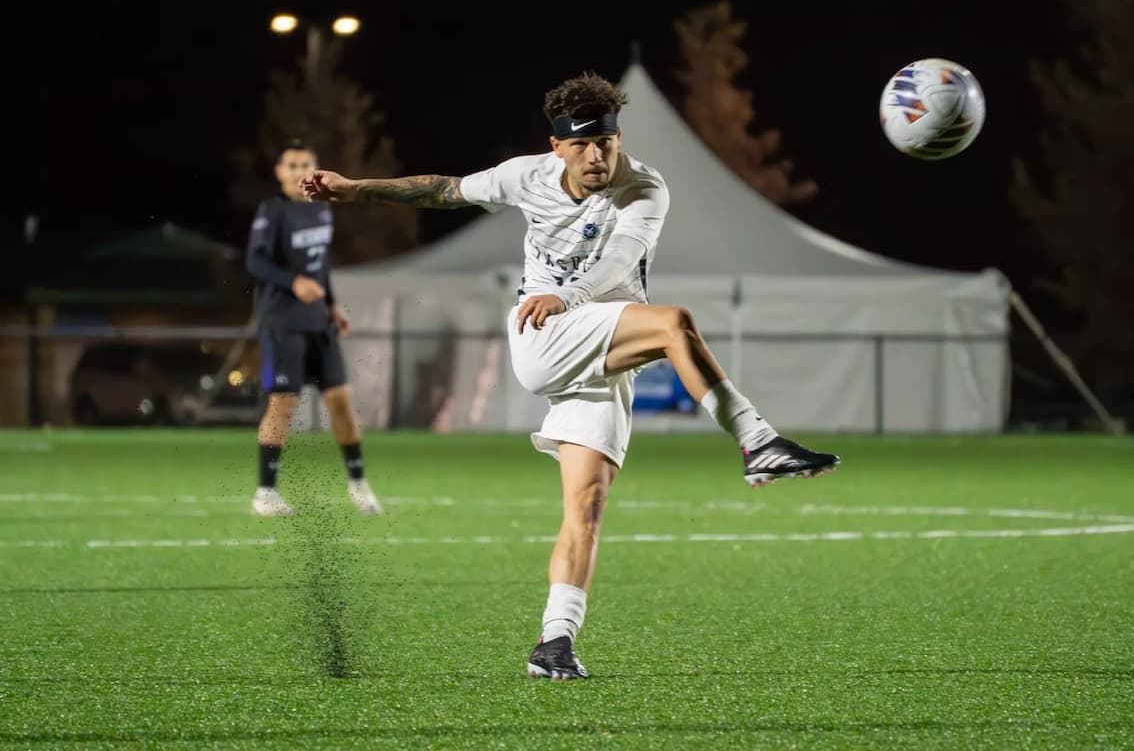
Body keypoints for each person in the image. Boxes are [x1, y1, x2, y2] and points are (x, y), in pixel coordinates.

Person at [299, 73, 839, 678]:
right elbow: (444, 190)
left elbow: (620, 261)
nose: (595, 156)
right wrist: (355, 189)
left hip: (595, 343)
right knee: (672, 325)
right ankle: (757, 441)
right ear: (555, 146)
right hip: (543, 333)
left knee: (586, 509)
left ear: (617, 138)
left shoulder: (645, 187)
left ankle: (554, 643)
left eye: (604, 142)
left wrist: (572, 296)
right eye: (580, 145)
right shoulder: (524, 176)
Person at [245, 139, 382, 517]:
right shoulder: (273, 211)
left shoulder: (321, 211)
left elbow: (319, 267)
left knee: (340, 401)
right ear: (279, 172)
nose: (297, 170)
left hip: (318, 322)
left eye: (304, 163)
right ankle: (265, 492)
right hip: (282, 321)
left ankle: (358, 484)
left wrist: (332, 304)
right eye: (290, 164)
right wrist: (293, 283)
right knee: (283, 403)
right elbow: (255, 261)